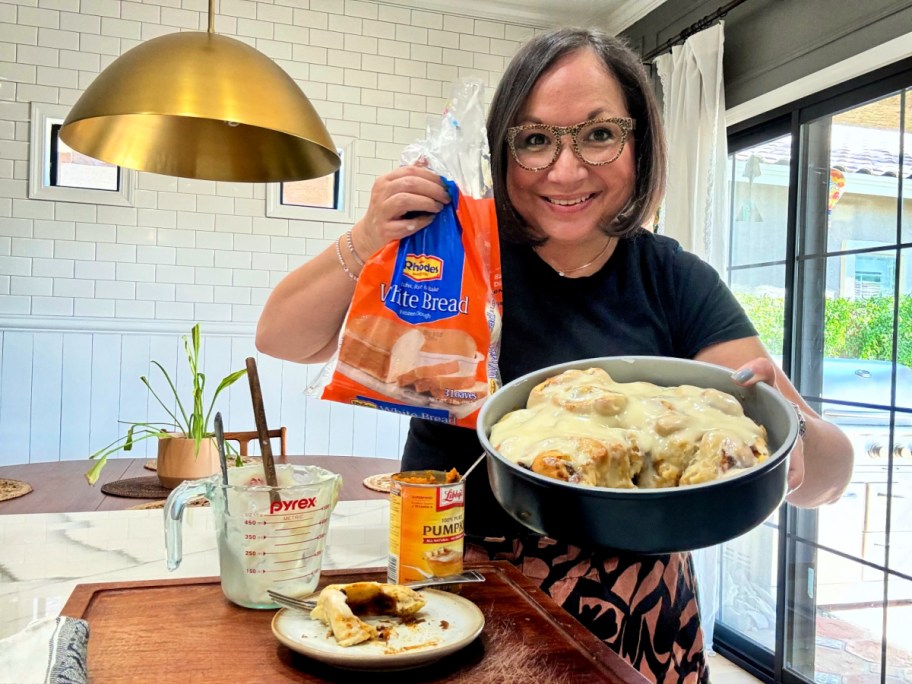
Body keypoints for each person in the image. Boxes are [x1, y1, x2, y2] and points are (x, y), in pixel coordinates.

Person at [256, 27, 854, 683]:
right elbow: (283, 337)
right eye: (535, 140)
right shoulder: (455, 256)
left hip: (636, 624)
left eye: (599, 135)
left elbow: (826, 480)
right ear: (503, 152)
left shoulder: (674, 280)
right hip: (454, 598)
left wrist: (791, 434)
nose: (565, 171)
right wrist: (369, 235)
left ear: (640, 145)